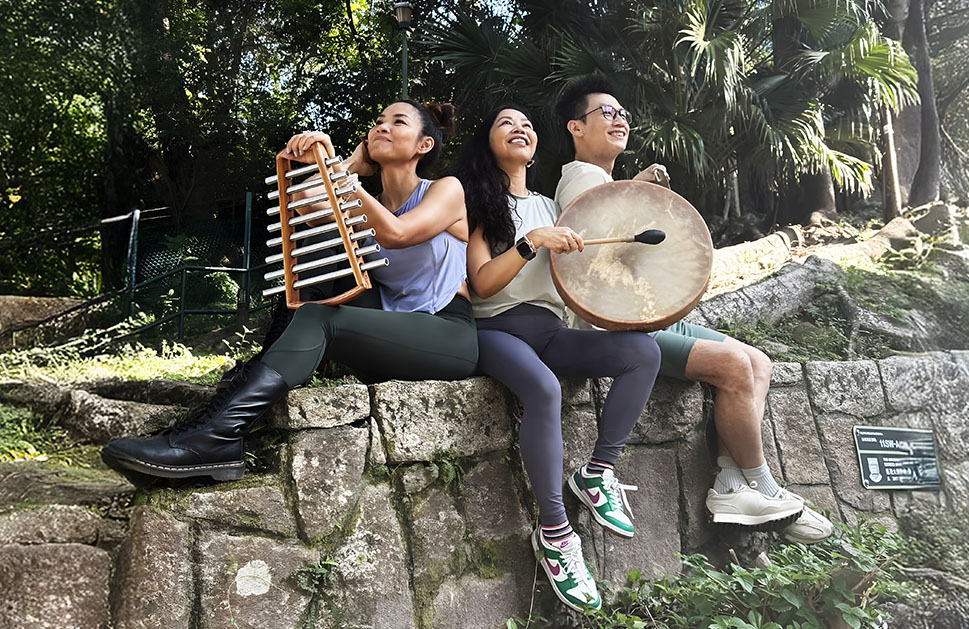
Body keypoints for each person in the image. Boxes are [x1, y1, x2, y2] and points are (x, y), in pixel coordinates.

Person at [102, 100, 478, 482]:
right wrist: (350, 162)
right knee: (326, 241)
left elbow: (398, 233)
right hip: (389, 330)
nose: (381, 127)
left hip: (446, 335)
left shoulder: (445, 190)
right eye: (379, 121)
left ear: (423, 145)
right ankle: (230, 410)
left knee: (319, 317)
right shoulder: (367, 201)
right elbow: (302, 206)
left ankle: (216, 436)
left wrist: (335, 170)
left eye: (398, 122)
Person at [553, 76, 833, 544]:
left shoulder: (606, 182)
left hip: (648, 316)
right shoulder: (583, 177)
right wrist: (636, 189)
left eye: (623, 113)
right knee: (734, 366)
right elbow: (591, 251)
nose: (619, 119)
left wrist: (635, 191)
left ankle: (730, 484)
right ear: (576, 127)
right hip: (615, 327)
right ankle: (765, 486)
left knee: (759, 362)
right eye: (606, 112)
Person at [457, 106, 662, 612]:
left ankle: (597, 471)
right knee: (545, 389)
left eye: (527, 124)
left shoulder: (553, 207)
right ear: (488, 142)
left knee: (642, 351)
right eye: (506, 123)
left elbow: (601, 243)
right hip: (495, 329)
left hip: (550, 331)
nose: (520, 128)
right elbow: (482, 283)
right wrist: (531, 243)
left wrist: (634, 187)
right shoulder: (477, 201)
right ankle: (555, 533)